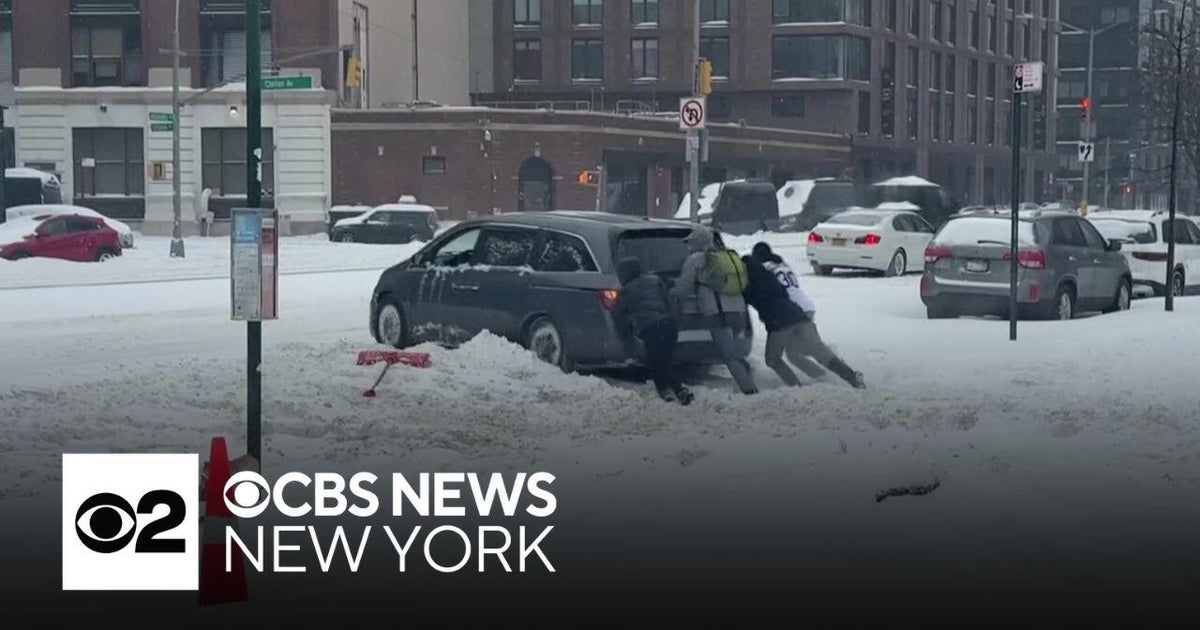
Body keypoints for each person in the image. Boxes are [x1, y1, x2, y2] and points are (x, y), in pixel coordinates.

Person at [745, 243, 866, 389]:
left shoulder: (761, 269)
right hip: (804, 307)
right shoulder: (782, 264)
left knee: (792, 354)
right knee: (808, 350)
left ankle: (810, 381)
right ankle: (845, 376)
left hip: (786, 310)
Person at [673, 228, 758, 395]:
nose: (689, 246)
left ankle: (749, 391)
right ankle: (750, 381)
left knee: (728, 356)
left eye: (691, 243)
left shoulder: (695, 259)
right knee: (735, 352)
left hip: (718, 313)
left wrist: (671, 294)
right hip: (738, 311)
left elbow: (684, 288)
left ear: (697, 243)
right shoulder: (726, 255)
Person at [611, 257, 695, 405]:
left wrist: (626, 334)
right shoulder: (655, 280)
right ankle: (673, 390)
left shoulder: (627, 291)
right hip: (669, 325)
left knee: (657, 362)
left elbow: (616, 313)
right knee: (665, 359)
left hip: (651, 328)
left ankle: (671, 390)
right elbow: (670, 299)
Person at [751, 241, 825, 380]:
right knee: (797, 351)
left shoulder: (764, 268)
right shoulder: (782, 265)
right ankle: (822, 373)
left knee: (793, 353)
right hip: (806, 305)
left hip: (791, 309)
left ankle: (814, 378)